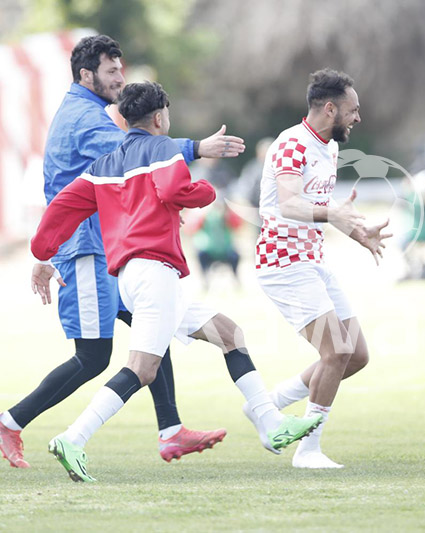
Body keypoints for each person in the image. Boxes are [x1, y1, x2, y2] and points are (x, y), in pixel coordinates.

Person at [29, 81, 322, 482]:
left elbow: (61, 208)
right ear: (159, 117)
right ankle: (73, 438)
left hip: (131, 277)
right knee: (142, 368)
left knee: (229, 334)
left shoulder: (102, 166)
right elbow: (175, 189)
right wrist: (204, 191)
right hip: (154, 273)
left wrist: (42, 255)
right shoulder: (163, 147)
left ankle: (271, 423)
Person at [0, 34, 245, 469]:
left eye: (121, 69)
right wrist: (195, 149)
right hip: (87, 252)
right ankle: (9, 422)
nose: (120, 78)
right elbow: (132, 152)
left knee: (155, 321)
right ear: (86, 74)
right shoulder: (83, 116)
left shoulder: (90, 111)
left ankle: (170, 431)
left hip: (107, 250)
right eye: (111, 71)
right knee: (93, 357)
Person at [253, 68, 391, 469]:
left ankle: (269, 405)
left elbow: (322, 213)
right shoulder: (291, 144)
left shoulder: (328, 148)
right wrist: (334, 213)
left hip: (312, 260)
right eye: (353, 110)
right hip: (283, 262)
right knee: (336, 351)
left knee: (356, 354)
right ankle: (307, 450)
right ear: (330, 108)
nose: (357, 118)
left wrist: (358, 232)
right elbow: (289, 204)